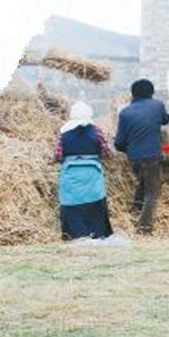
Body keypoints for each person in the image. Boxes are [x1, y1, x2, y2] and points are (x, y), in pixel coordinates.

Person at [115, 79, 169, 235]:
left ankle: (135, 211)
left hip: (134, 157)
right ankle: (144, 228)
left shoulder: (125, 113)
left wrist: (130, 150)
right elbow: (165, 119)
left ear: (132, 94)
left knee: (142, 183)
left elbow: (118, 143)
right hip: (151, 156)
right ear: (151, 92)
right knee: (152, 193)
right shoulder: (157, 105)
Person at [55, 101, 113, 240]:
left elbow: (58, 156)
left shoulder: (64, 133)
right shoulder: (96, 131)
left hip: (71, 176)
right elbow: (107, 152)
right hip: (92, 175)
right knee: (94, 202)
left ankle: (74, 235)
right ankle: (98, 234)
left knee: (72, 203)